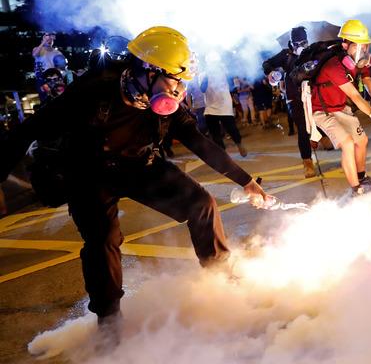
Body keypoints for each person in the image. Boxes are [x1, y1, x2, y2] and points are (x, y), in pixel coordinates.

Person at [0, 26, 269, 325]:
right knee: (104, 240)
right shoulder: (93, 90)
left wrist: (246, 182)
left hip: (141, 166)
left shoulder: (163, 104)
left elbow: (199, 142)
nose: (179, 89)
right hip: (88, 174)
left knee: (202, 204)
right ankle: (109, 321)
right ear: (149, 71)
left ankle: (221, 279)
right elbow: (28, 130)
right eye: (174, 78)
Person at [309, 19, 371, 195]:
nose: (363, 51)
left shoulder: (359, 64)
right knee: (348, 144)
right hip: (322, 111)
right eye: (359, 47)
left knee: (362, 141)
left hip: (341, 108)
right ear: (345, 45)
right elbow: (355, 95)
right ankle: (356, 189)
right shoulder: (333, 66)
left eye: (365, 47)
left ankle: (362, 178)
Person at [263, 26, 316, 178]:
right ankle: (307, 162)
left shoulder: (311, 51)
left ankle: (322, 138)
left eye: (304, 42)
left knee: (319, 120)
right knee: (302, 129)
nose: (301, 46)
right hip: (294, 97)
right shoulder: (285, 55)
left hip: (312, 95)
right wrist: (271, 73)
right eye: (297, 44)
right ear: (292, 44)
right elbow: (267, 63)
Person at [202, 59, 248, 157]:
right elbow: (202, 89)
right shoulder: (203, 75)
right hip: (210, 108)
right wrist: (206, 76)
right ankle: (223, 153)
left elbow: (234, 84)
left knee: (232, 128)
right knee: (215, 133)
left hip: (224, 106)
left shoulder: (223, 71)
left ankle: (239, 144)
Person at [32, 32, 65, 104]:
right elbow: (34, 54)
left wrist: (59, 76)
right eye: (47, 39)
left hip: (53, 78)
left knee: (54, 97)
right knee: (44, 99)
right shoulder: (38, 49)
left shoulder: (57, 52)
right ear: (42, 40)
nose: (49, 40)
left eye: (50, 39)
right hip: (41, 77)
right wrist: (44, 42)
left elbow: (62, 67)